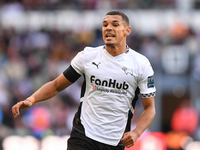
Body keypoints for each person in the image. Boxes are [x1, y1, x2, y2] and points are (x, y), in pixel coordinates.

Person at [12, 11, 156, 149]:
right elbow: (56, 85)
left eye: (115, 24)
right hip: (83, 135)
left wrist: (137, 132)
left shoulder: (141, 64)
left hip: (115, 140)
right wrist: (32, 99)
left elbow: (150, 108)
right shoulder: (87, 56)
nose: (108, 28)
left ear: (127, 30)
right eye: (105, 24)